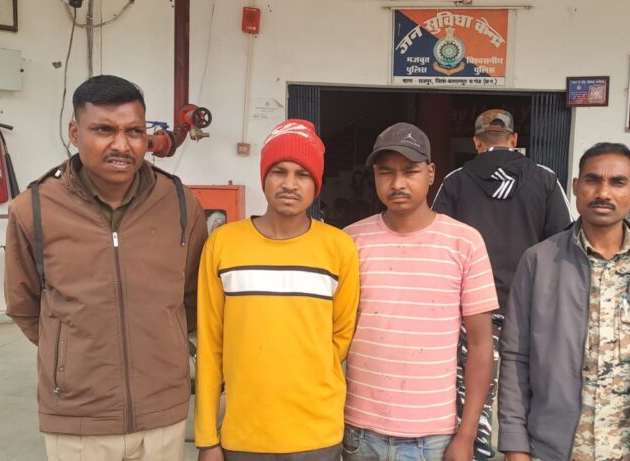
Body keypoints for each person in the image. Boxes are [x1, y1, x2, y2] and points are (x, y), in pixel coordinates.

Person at [4, 74, 208, 461]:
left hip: (162, 411)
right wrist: (71, 355)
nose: (121, 145)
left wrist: (162, 345)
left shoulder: (179, 203)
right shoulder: (34, 209)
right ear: (74, 132)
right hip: (78, 418)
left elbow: (194, 298)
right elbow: (24, 305)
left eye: (134, 131)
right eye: (104, 130)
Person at [497, 143, 630, 461]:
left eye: (617, 182)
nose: (603, 193)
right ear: (576, 187)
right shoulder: (540, 262)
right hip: (555, 451)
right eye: (593, 180)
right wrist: (515, 445)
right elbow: (515, 357)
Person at [194, 119, 360, 461]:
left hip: (317, 435)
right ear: (264, 177)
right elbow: (210, 346)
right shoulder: (223, 244)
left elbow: (340, 337)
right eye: (279, 171)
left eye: (302, 174)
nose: (289, 184)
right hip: (244, 435)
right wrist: (207, 438)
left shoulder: (339, 248)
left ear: (317, 183)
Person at [342, 123, 497, 461]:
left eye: (410, 171)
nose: (397, 183)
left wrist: (467, 434)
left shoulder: (465, 242)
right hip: (358, 432)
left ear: (430, 174)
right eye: (386, 172)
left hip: (432, 437)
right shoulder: (349, 242)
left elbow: (481, 347)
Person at [432, 108, 572, 459]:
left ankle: (476, 448)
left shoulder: (456, 181)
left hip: (472, 310)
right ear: (514, 139)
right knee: (526, 386)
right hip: (529, 308)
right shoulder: (545, 179)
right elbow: (563, 246)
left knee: (472, 389)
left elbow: (437, 245)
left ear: (476, 142)